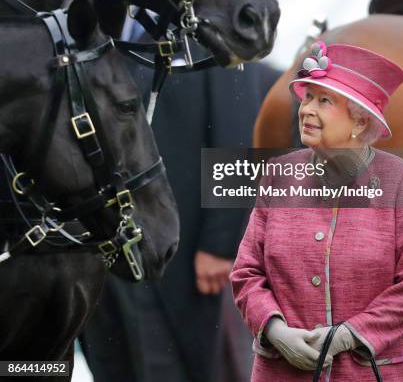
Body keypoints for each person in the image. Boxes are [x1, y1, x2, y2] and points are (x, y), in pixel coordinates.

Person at [230, 41, 403, 381]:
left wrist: (346, 335)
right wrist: (276, 330)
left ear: (359, 120)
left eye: (324, 101)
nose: (306, 109)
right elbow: (247, 274)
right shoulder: (278, 174)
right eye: (307, 97)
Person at [80, 29, 281, 382]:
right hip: (104, 249)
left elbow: (237, 130)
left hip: (186, 250)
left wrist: (219, 242)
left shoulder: (210, 28)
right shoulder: (94, 27)